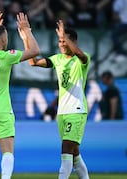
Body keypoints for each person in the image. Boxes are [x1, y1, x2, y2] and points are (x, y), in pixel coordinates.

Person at [0, 11, 40, 179]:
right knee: (7, 152)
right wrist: (26, 30)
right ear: (3, 39)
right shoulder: (6, 57)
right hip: (1, 109)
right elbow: (34, 51)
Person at [29, 20, 90, 179]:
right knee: (75, 154)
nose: (62, 44)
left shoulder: (81, 60)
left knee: (66, 149)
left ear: (74, 41)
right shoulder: (57, 59)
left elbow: (81, 55)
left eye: (65, 40)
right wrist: (26, 36)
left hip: (76, 111)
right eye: (60, 40)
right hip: (62, 112)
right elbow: (33, 63)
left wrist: (64, 36)